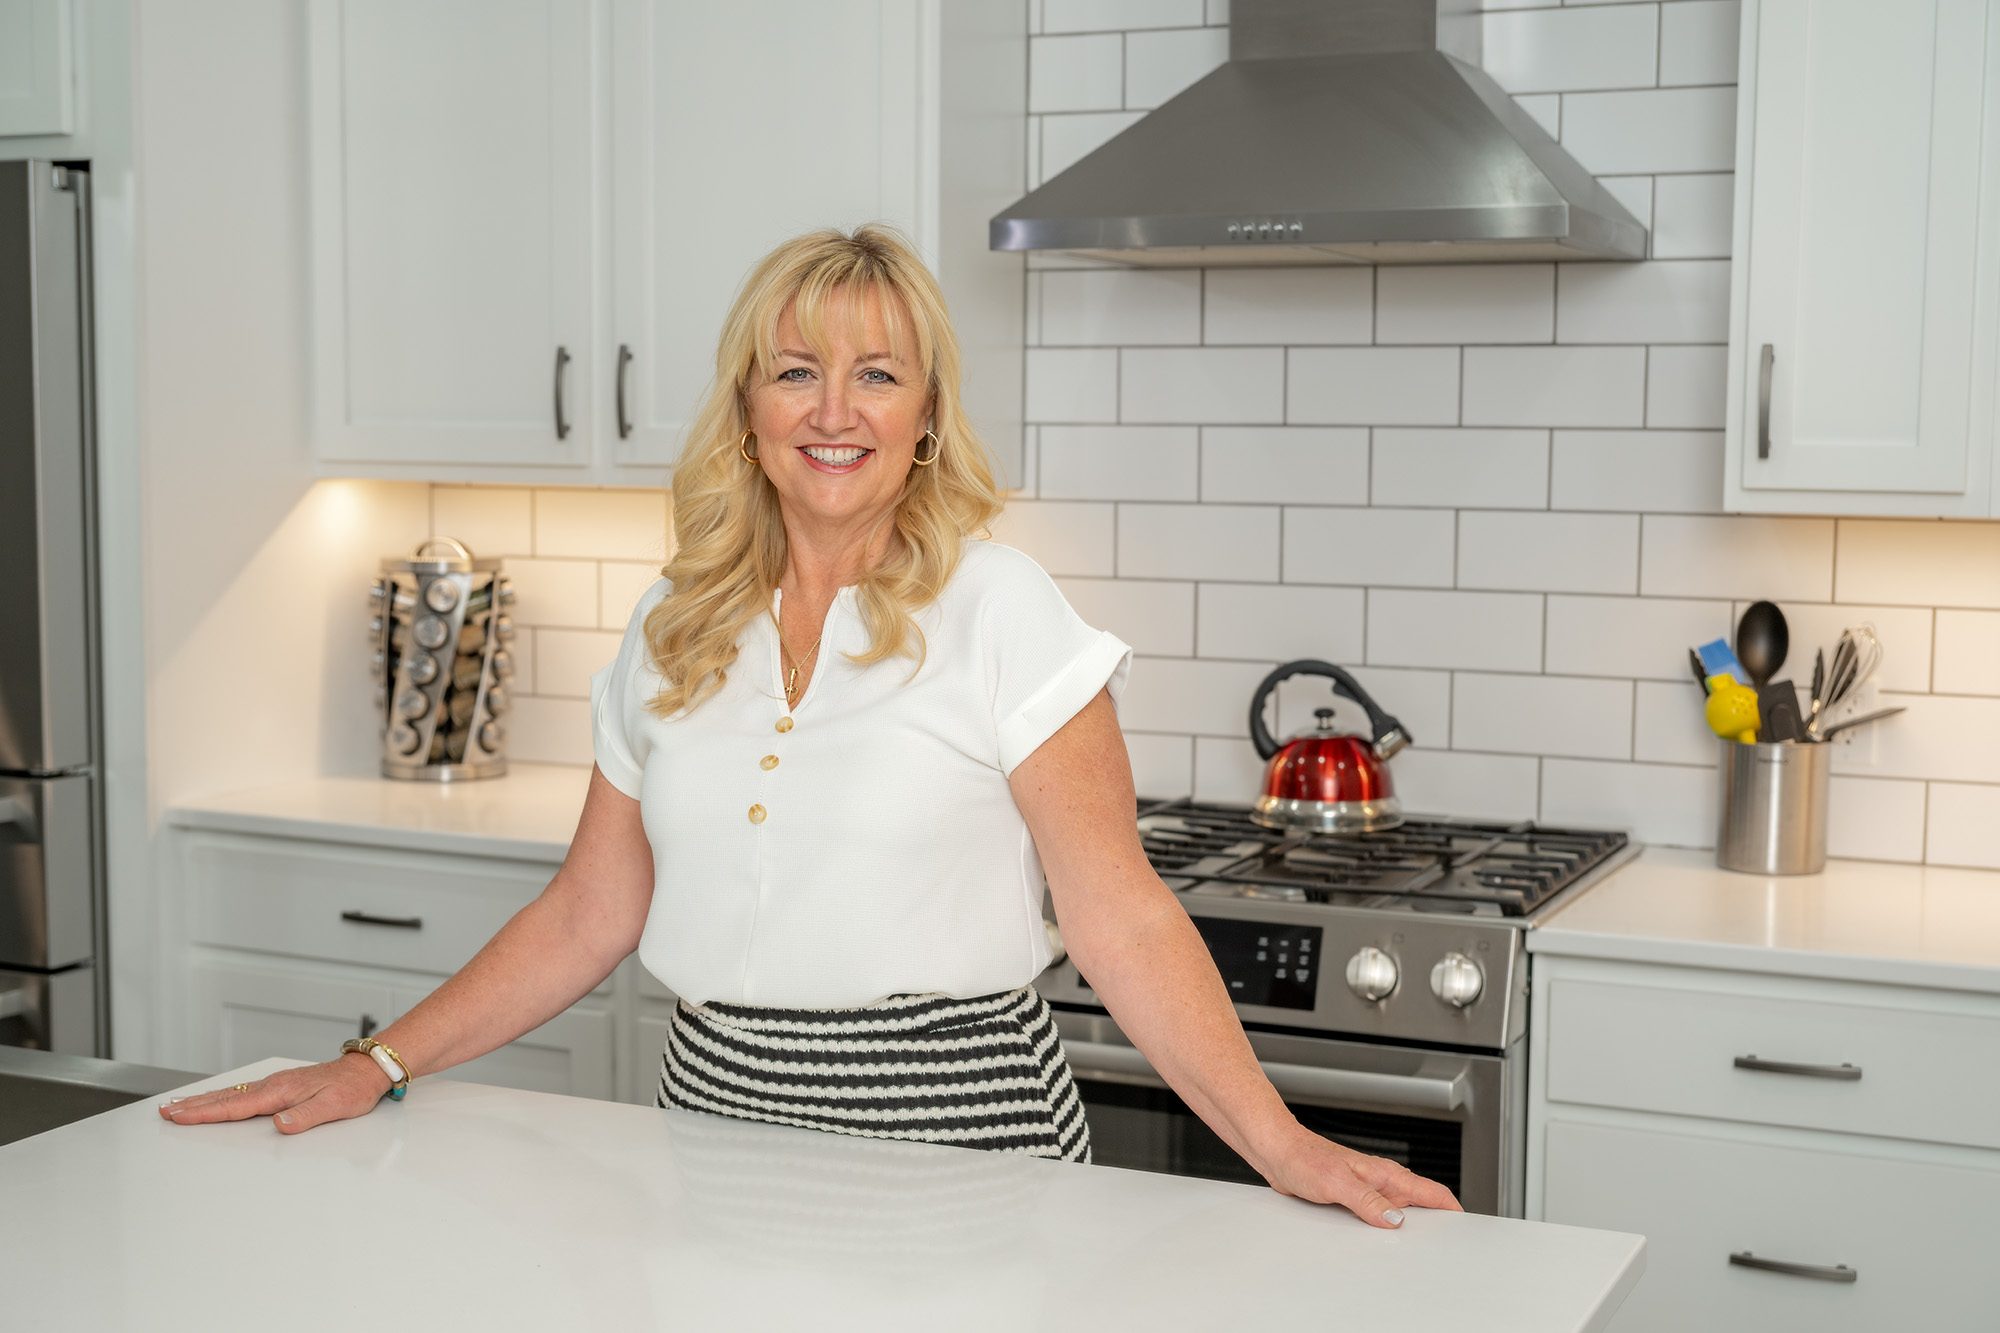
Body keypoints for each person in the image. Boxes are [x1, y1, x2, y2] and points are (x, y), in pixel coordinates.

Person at [160, 225, 1460, 1229]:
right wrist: (377, 1061)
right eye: (798, 372)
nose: (834, 410)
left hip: (968, 1163)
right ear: (749, 409)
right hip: (713, 1147)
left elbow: (1119, 916)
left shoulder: (1003, 605)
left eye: (876, 375)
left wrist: (1286, 1147)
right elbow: (584, 913)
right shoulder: (673, 620)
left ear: (926, 415)